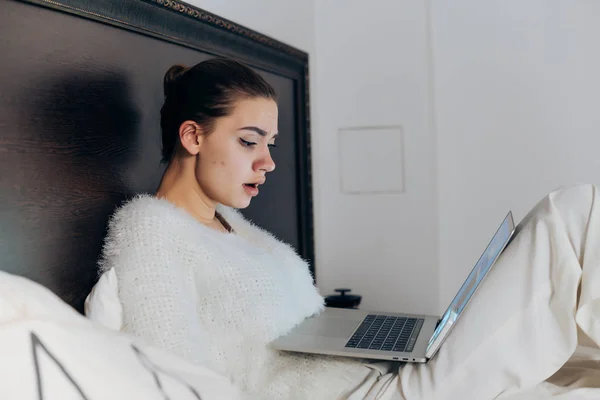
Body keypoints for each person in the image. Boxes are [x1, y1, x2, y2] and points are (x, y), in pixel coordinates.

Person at [91, 57, 600, 400]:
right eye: (250, 142)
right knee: (572, 213)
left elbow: (305, 328)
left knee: (580, 370)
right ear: (193, 136)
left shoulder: (238, 230)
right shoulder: (150, 234)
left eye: (270, 144)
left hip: (381, 377)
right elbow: (181, 382)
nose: (268, 162)